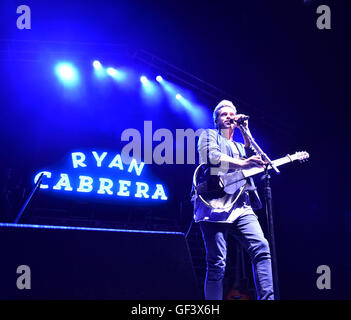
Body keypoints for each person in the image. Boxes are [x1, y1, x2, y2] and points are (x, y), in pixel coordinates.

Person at [191, 99, 274, 300]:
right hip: (215, 207)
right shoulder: (208, 136)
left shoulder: (239, 145)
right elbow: (212, 158)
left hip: (240, 205)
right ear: (216, 120)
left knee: (261, 248)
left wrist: (246, 130)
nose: (229, 116)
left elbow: (255, 159)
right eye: (224, 114)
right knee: (217, 263)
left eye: (232, 114)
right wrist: (243, 163)